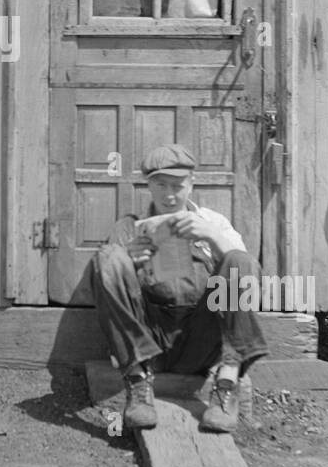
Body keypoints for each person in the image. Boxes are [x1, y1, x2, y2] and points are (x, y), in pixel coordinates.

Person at [90, 143, 268, 432]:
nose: (170, 195)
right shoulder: (128, 227)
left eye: (178, 185)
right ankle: (137, 383)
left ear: (192, 183)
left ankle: (227, 383)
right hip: (149, 340)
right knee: (108, 258)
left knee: (240, 260)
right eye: (161, 184)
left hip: (201, 339)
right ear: (148, 184)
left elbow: (248, 276)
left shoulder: (213, 221)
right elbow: (107, 285)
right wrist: (128, 260)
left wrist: (211, 237)